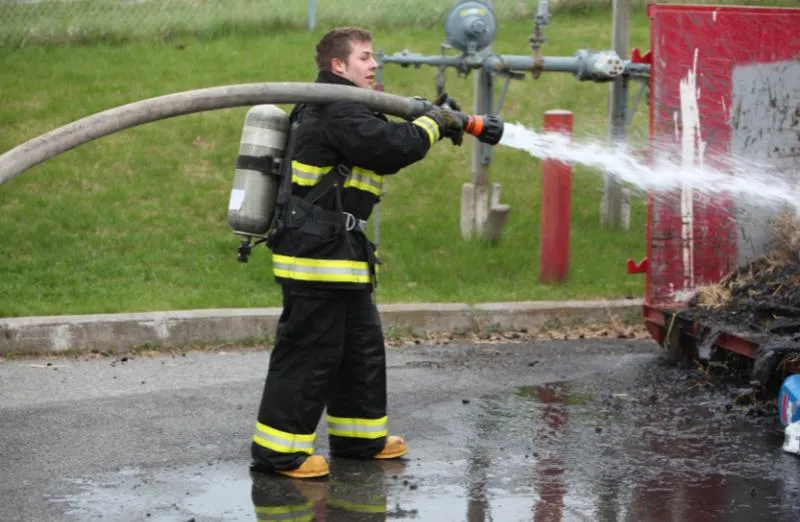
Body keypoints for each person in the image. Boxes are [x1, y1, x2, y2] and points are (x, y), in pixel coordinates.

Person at [249, 26, 466, 480]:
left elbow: (381, 137)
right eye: (365, 57)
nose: (374, 64)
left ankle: (359, 439)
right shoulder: (336, 109)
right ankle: (278, 452)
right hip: (316, 257)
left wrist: (431, 120)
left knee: (359, 348)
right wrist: (435, 123)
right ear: (338, 66)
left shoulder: (346, 107)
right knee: (309, 352)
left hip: (340, 254)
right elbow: (390, 148)